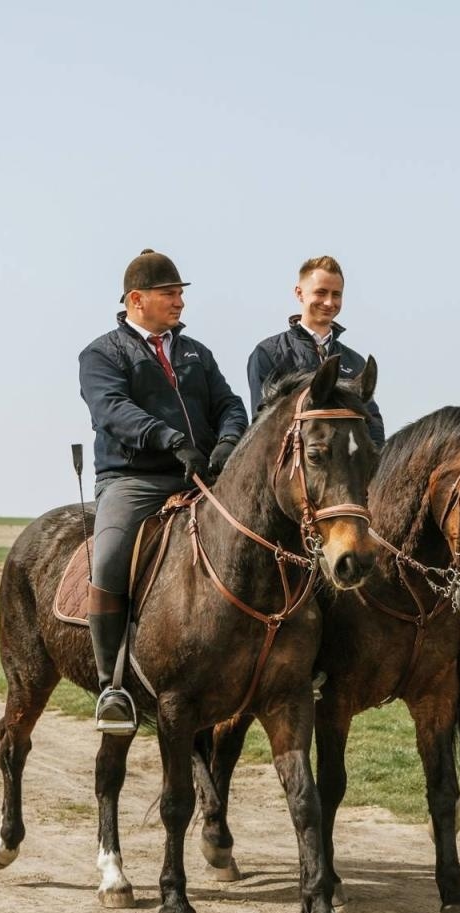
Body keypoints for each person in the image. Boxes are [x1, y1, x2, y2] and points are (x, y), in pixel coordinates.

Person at [79, 249, 248, 734]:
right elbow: (112, 410)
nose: (179, 301)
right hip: (135, 482)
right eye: (169, 293)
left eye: (180, 293)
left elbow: (230, 403)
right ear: (137, 300)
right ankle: (111, 684)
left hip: (202, 475)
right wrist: (171, 440)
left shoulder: (197, 352)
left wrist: (230, 440)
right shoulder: (102, 354)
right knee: (109, 556)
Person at [244, 255, 384, 445]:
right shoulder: (268, 353)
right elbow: (262, 425)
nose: (329, 302)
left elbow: (372, 423)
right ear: (299, 293)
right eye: (321, 292)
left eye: (336, 294)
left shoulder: (355, 361)